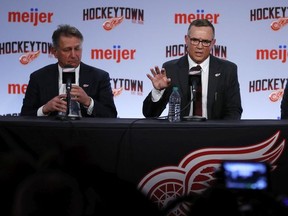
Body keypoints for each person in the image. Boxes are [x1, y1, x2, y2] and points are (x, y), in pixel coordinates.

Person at [142, 19, 242, 120]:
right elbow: (149, 114)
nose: (199, 46)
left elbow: (234, 112)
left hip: (214, 132)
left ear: (213, 43)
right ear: (186, 40)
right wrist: (158, 91)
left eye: (206, 42)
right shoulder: (171, 69)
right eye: (195, 40)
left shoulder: (227, 70)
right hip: (180, 133)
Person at [20, 24, 117, 118]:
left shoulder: (99, 77)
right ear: (54, 52)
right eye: (67, 50)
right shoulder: (39, 77)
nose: (74, 55)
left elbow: (111, 115)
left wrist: (88, 102)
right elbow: (24, 116)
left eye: (77, 49)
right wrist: (45, 109)